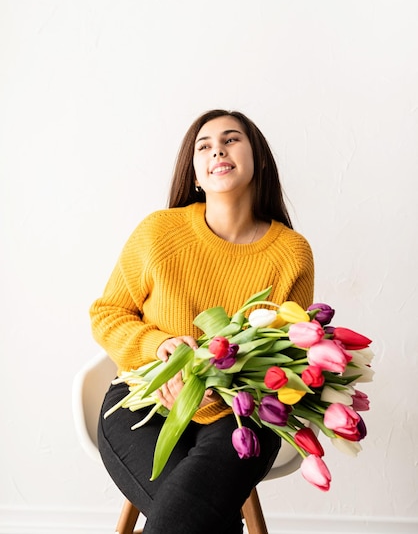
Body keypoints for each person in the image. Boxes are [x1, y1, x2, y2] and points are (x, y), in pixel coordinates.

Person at [90, 109, 314, 534]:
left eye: (231, 140)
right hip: (143, 404)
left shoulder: (291, 252)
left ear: (258, 159)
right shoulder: (159, 232)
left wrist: (217, 385)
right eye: (204, 146)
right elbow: (107, 313)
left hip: (241, 417)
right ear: (194, 171)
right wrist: (160, 346)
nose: (218, 151)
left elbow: (291, 359)